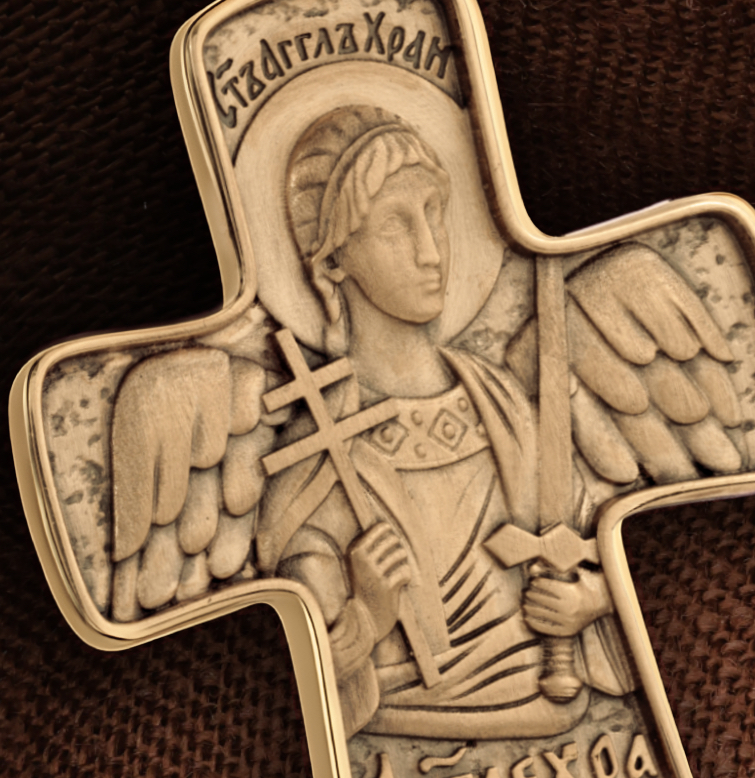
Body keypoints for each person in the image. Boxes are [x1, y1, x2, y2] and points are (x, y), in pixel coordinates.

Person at [255, 105, 629, 739]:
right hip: (406, 739)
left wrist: (589, 599)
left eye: (435, 213)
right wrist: (369, 618)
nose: (431, 251)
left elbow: (595, 537)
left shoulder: (504, 406)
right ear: (333, 262)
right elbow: (307, 672)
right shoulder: (313, 461)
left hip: (553, 710)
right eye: (395, 226)